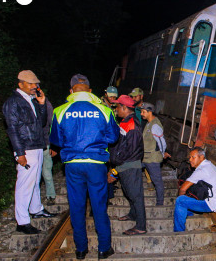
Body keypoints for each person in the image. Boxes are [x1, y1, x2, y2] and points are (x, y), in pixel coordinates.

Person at [49, 74, 119, 259]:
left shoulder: (60, 111)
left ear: (71, 91)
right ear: (89, 90)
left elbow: (55, 140)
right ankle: (104, 248)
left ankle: (81, 250)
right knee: (99, 206)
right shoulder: (104, 110)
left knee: (77, 206)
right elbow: (113, 137)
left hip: (73, 164)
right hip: (96, 164)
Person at [2, 70, 57, 235]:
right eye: (31, 84)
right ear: (21, 84)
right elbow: (12, 129)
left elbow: (40, 123)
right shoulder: (13, 103)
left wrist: (41, 104)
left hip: (37, 145)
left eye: (36, 84)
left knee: (34, 181)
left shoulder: (30, 100)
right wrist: (19, 152)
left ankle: (36, 208)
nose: (35, 87)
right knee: (24, 184)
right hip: (26, 147)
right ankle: (22, 221)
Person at [107, 95, 147, 235]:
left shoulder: (131, 124)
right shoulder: (127, 122)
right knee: (129, 192)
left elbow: (130, 149)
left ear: (124, 108)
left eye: (118, 106)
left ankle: (141, 226)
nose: (116, 109)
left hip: (129, 165)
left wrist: (116, 167)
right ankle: (133, 214)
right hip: (125, 164)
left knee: (136, 196)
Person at [174, 147, 216, 232]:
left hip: (213, 204)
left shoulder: (202, 170)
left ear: (201, 157)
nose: (190, 160)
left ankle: (178, 231)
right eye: (190, 157)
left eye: (193, 157)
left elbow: (183, 189)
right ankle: (187, 212)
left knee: (180, 201)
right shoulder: (210, 165)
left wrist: (181, 198)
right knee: (190, 191)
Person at [140, 102, 171, 206]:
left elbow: (162, 142)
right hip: (145, 157)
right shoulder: (149, 123)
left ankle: (160, 202)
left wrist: (162, 153)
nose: (141, 114)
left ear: (150, 112)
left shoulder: (155, 125)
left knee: (157, 180)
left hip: (152, 158)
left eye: (144, 112)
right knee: (133, 169)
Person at [42, 97, 57, 205]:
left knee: (46, 171)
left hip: (45, 143)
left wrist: (54, 146)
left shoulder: (46, 104)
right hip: (30, 146)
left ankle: (51, 195)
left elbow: (53, 125)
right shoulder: (24, 103)